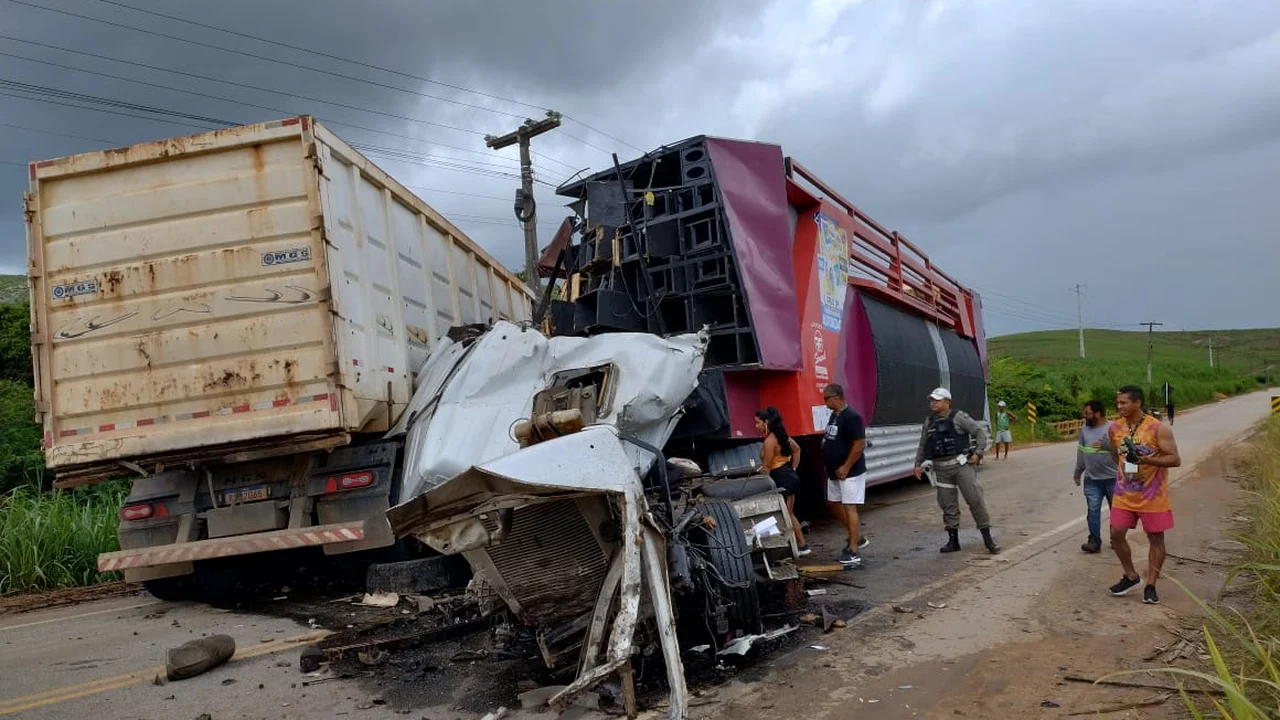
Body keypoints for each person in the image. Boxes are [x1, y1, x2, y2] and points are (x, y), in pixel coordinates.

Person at [1106, 385, 1181, 605]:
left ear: (1137, 402)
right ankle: (1130, 576)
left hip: (1152, 496)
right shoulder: (1115, 428)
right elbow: (1114, 454)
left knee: (1156, 538)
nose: (1119, 406)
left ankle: (1151, 585)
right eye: (1118, 402)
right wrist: (1126, 472)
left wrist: (1148, 461)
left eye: (1123, 402)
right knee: (1116, 534)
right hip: (1124, 494)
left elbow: (1175, 459)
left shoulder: (1157, 428)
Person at [913, 387, 1001, 554]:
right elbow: (923, 444)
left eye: (937, 400)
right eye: (932, 400)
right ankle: (953, 541)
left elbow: (979, 433)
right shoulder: (929, 422)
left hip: (961, 466)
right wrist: (917, 463)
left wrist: (978, 453)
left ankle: (988, 539)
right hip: (941, 469)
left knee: (975, 500)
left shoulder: (959, 417)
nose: (933, 403)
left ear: (947, 402)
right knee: (947, 505)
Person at [821, 384, 870, 567]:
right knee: (832, 503)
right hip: (834, 471)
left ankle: (854, 550)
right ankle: (856, 536)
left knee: (850, 506)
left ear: (837, 397)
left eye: (826, 398)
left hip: (850, 472)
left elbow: (859, 444)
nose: (824, 402)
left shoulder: (852, 417)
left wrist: (846, 466)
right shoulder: (835, 416)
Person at [754, 407, 810, 556]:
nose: (756, 426)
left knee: (787, 514)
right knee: (789, 513)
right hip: (788, 475)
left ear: (766, 422)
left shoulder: (770, 441)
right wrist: (793, 469)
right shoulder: (782, 436)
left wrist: (757, 480)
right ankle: (801, 544)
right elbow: (797, 449)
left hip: (780, 477)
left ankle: (801, 545)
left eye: (758, 422)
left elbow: (767, 467)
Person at [1073, 400, 1117, 554]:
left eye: (1088, 413)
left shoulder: (1113, 428)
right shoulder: (1084, 430)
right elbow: (1081, 452)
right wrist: (1078, 472)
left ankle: (1116, 539)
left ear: (1098, 414)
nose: (1085, 416)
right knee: (1093, 509)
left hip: (1113, 478)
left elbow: (1124, 450)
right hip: (1092, 478)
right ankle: (1094, 541)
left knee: (1116, 510)